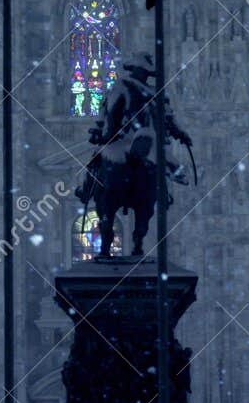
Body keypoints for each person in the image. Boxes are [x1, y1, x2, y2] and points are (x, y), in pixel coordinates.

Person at [77, 54, 191, 257]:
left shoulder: (125, 87)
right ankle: (159, 201)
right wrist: (180, 134)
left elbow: (110, 113)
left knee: (97, 163)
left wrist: (103, 134)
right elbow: (169, 121)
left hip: (125, 141)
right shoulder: (149, 92)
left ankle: (86, 190)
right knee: (158, 164)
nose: (143, 74)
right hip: (142, 141)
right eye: (143, 70)